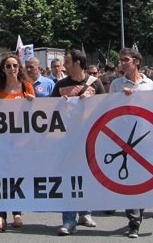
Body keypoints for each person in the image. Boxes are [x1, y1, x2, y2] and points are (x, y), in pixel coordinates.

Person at [52, 49, 104, 236]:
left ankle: (86, 212)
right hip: (67, 140)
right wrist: (61, 104)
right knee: (68, 178)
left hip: (90, 138)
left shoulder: (95, 84)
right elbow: (50, 112)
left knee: (87, 176)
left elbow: (104, 108)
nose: (64, 64)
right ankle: (68, 219)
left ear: (77, 63)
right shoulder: (60, 85)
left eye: (67, 61)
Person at [109, 47, 153, 239]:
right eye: (121, 60)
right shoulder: (116, 84)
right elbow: (108, 108)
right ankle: (134, 222)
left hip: (144, 137)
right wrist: (122, 99)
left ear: (136, 62)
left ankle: (139, 212)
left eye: (126, 60)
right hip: (124, 138)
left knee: (142, 178)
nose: (122, 63)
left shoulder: (149, 84)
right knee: (130, 180)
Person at [0, 54, 34, 231]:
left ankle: (17, 213)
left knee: (17, 176)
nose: (12, 69)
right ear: (3, 70)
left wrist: (32, 103)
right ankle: (0, 216)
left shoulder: (26, 86)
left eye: (15, 66)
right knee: (0, 177)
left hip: (20, 142)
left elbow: (35, 113)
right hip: (0, 141)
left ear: (19, 67)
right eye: (8, 66)